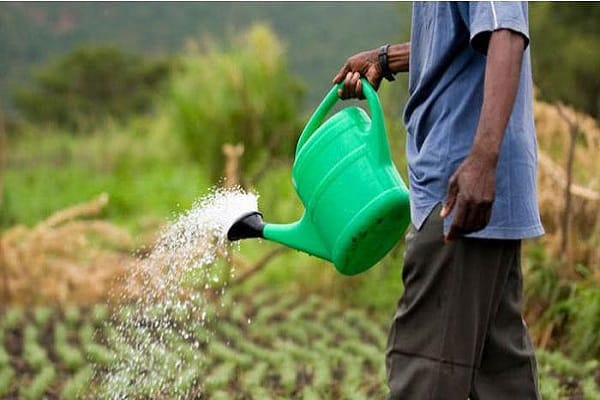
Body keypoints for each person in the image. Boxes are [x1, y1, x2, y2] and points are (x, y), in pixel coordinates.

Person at [333, 2, 544, 399]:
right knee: (500, 378)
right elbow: (460, 39)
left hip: (458, 186)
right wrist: (386, 58)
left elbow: (507, 34)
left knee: (424, 373)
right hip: (468, 187)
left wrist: (481, 161)